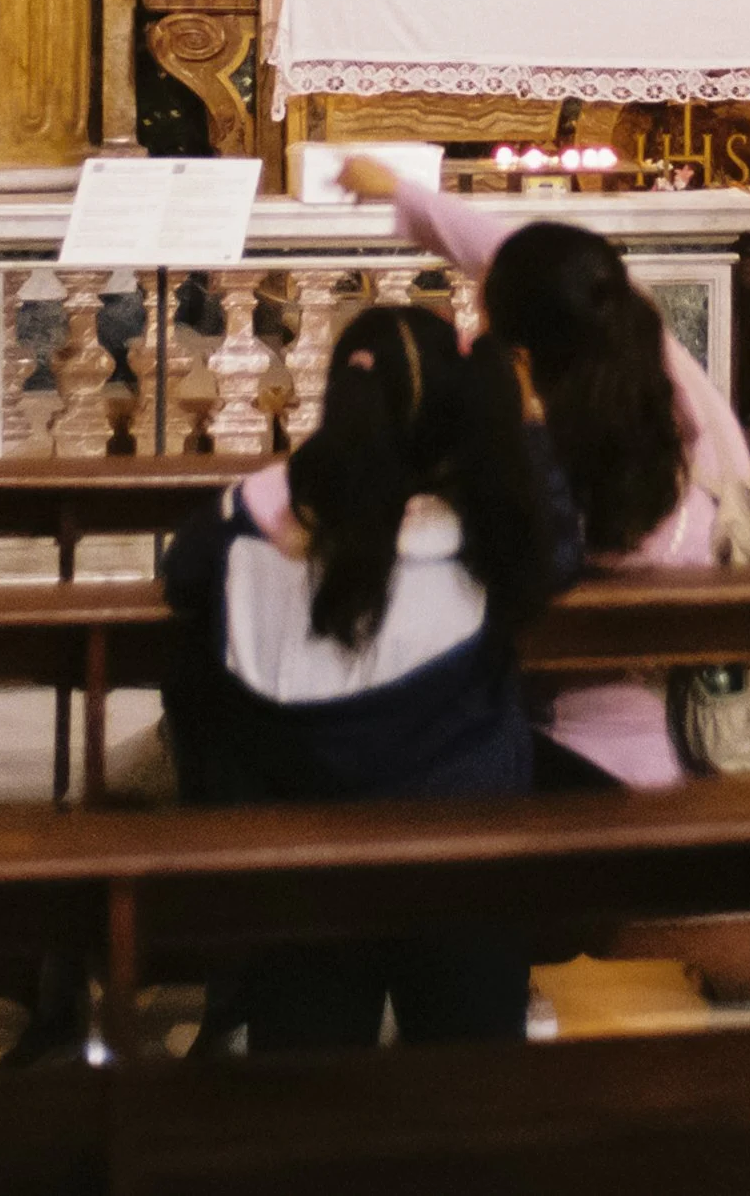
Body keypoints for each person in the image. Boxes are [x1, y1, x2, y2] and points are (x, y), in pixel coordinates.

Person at [161, 298, 575, 1050]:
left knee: (307, 1078)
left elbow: (183, 577)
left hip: (295, 860)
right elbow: (555, 534)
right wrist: (520, 419)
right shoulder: (486, 533)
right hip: (459, 858)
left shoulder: (247, 520)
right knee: (467, 1073)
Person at [339, 162, 750, 789]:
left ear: (519, 355)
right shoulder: (690, 439)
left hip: (549, 761)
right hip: (681, 753)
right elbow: (555, 275)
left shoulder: (521, 477)